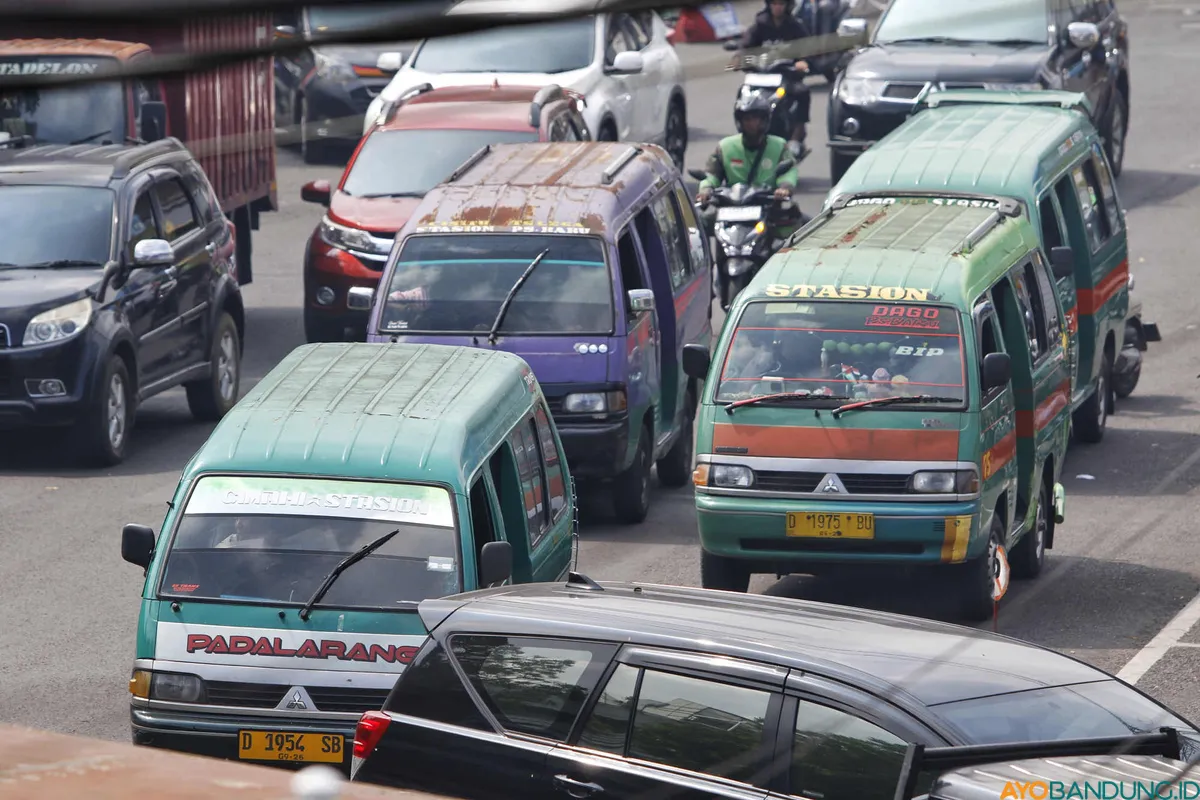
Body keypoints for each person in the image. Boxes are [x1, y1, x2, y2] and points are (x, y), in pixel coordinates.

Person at [737, 0, 814, 159]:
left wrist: (803, 61)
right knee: (742, 94)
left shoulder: (794, 25)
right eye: (774, 4)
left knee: (802, 92)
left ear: (787, 6)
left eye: (781, 4)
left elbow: (807, 47)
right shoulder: (760, 24)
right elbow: (746, 46)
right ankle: (744, 135)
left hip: (786, 75)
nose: (777, 7)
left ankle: (796, 137)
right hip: (761, 76)